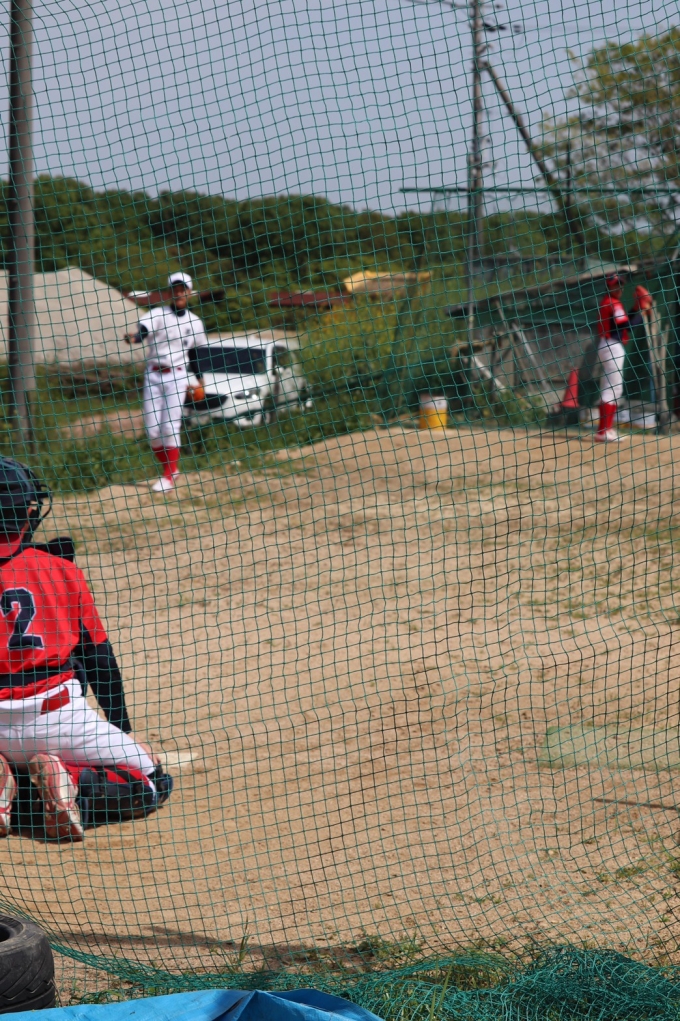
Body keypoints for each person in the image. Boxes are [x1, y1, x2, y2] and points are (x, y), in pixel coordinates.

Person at [0, 458, 168, 842]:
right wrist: (121, 731)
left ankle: (7, 784)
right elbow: (99, 660)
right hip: (60, 720)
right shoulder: (61, 569)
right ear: (27, 512)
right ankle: (70, 780)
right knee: (153, 782)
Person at [126, 272, 207, 492]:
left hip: (177, 376)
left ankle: (169, 475)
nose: (179, 293)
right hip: (153, 375)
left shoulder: (195, 322)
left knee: (170, 426)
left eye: (183, 289)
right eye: (175, 289)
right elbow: (143, 332)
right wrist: (134, 338)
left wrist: (200, 381)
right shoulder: (158, 314)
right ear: (170, 292)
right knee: (152, 431)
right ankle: (171, 470)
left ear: (189, 292)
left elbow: (196, 354)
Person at [595, 276, 654, 443]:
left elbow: (623, 323)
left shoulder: (609, 302)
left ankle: (605, 430)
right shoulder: (613, 303)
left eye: (620, 285)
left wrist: (636, 308)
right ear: (609, 287)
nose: (619, 288)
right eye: (615, 285)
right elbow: (628, 326)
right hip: (612, 346)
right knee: (612, 389)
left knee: (612, 389)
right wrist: (642, 311)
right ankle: (603, 431)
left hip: (608, 345)